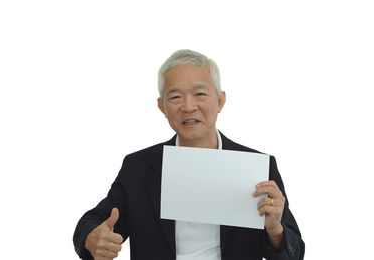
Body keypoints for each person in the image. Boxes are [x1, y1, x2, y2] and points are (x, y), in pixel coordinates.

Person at [73, 49, 305, 260]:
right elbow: (93, 221)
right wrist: (91, 238)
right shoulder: (139, 167)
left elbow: (294, 254)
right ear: (162, 107)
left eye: (200, 94)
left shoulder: (257, 168)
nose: (188, 106)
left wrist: (275, 230)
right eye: (175, 97)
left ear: (220, 101)